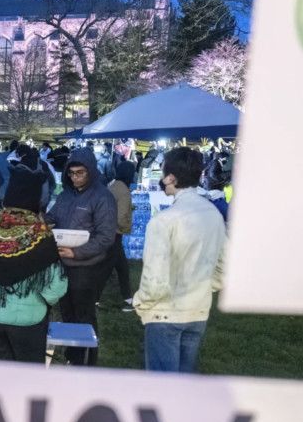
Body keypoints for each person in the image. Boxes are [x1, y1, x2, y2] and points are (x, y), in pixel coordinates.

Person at [133, 147, 227, 373]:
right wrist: (204, 286)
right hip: (197, 310)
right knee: (184, 385)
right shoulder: (213, 214)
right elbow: (226, 266)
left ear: (171, 178)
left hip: (165, 312)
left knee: (163, 387)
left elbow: (154, 278)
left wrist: (141, 302)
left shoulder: (164, 221)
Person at [0, 168, 68, 362]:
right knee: (27, 377)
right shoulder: (40, 233)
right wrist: (42, 300)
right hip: (29, 320)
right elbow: (57, 284)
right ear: (36, 198)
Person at [45, 146, 117, 366]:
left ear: (91, 171)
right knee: (67, 313)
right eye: (71, 173)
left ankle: (87, 361)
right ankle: (73, 355)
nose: (75, 178)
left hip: (87, 266)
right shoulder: (66, 194)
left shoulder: (103, 197)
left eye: (80, 173)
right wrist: (41, 220)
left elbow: (106, 237)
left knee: (84, 316)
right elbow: (53, 216)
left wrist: (76, 252)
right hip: (63, 263)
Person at [104, 159, 136, 311]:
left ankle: (127, 298)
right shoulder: (124, 191)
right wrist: (125, 227)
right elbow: (121, 216)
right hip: (115, 233)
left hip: (107, 231)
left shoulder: (113, 186)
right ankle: (127, 299)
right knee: (114, 267)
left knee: (118, 267)